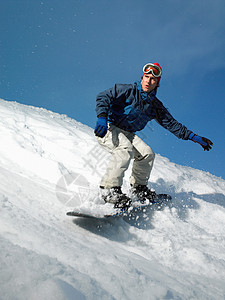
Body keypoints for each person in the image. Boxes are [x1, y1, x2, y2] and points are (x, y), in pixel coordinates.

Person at [94, 62, 213, 208]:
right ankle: (109, 190)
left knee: (147, 154)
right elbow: (104, 96)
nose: (148, 81)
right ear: (142, 77)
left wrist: (194, 137)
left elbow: (172, 124)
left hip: (128, 133)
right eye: (146, 77)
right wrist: (102, 116)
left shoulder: (154, 105)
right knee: (124, 149)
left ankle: (139, 189)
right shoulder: (128, 90)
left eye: (153, 79)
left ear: (157, 83)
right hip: (108, 127)